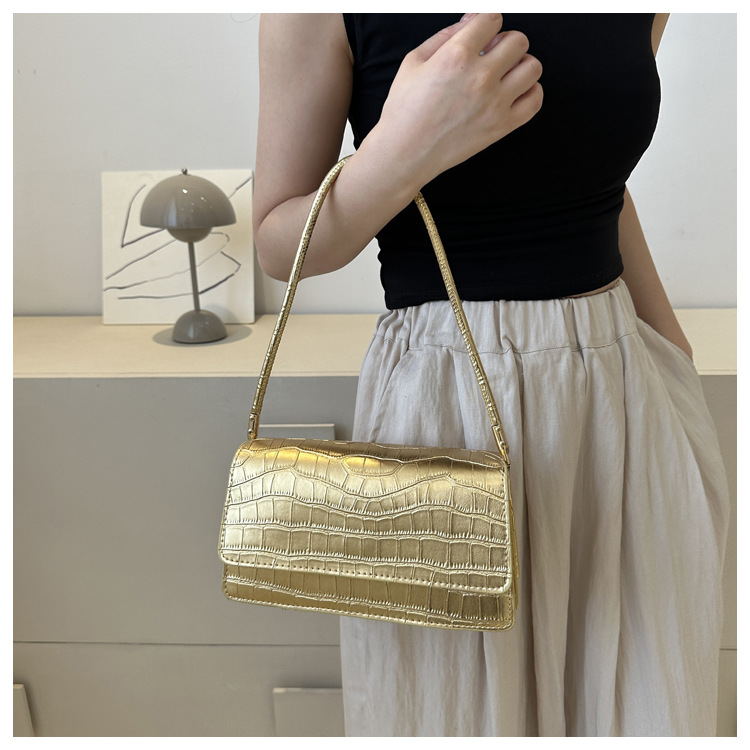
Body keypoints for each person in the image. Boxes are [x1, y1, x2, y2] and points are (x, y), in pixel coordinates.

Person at [252, 13, 730, 737]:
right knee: (453, 710)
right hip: (441, 408)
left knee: (637, 704)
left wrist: (674, 359)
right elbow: (277, 246)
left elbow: (601, 183)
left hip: (619, 398)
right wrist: (402, 150)